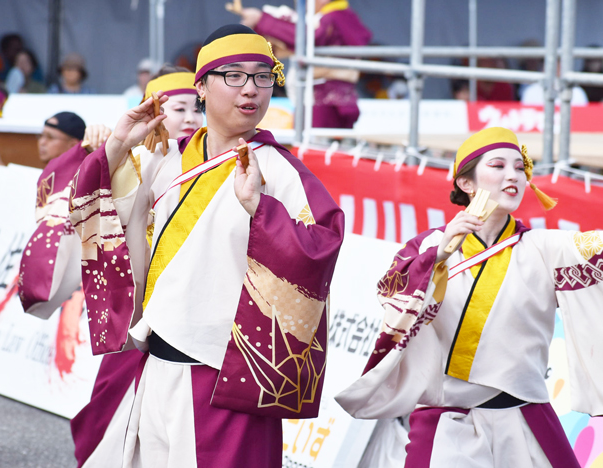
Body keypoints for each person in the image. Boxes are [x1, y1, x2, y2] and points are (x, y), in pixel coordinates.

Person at [68, 24, 344, 466]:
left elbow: (321, 246)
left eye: (262, 75)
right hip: (154, 363)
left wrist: (261, 209)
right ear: (201, 85)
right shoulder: (164, 157)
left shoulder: (280, 170)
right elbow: (101, 216)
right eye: (233, 75)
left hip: (226, 374)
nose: (250, 89)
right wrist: (118, 145)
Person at [336, 127, 602, 467]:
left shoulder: (546, 248)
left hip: (525, 420)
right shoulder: (429, 245)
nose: (513, 176)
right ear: (466, 183)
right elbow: (391, 296)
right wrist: (437, 259)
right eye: (498, 166)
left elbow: (596, 249)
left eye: (520, 168)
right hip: (449, 422)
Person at [65, 66, 202, 467]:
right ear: (154, 110)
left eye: (198, 107)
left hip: (186, 309)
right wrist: (111, 149)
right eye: (179, 108)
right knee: (114, 408)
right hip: (140, 304)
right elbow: (95, 205)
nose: (191, 118)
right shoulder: (139, 159)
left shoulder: (217, 159)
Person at [240, 0, 372, 128]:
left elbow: (307, 38)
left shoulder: (333, 18)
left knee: (315, 147)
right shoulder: (340, 17)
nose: (302, 4)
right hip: (334, 98)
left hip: (322, 99)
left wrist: (263, 20)